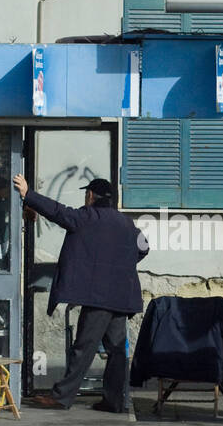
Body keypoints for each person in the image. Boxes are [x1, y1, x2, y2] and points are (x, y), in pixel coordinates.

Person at [12, 173, 147, 412]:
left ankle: (62, 397)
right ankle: (114, 401)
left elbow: (58, 211)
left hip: (100, 299)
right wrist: (122, 262)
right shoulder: (126, 223)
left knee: (83, 347)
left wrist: (28, 195)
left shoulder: (87, 217)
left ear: (91, 196)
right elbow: (144, 248)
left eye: (87, 194)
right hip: (122, 298)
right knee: (116, 350)